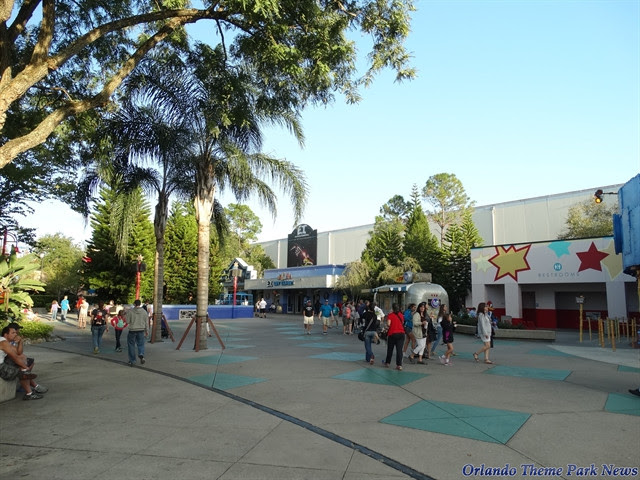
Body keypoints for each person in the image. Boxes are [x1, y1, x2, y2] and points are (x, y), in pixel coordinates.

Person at [0, 326, 43, 400]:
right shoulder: (3, 342)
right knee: (23, 371)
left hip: (3, 362)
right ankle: (29, 392)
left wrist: (20, 341)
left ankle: (29, 386)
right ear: (6, 334)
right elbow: (15, 358)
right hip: (1, 366)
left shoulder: (6, 342)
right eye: (13, 333)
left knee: (27, 361)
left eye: (15, 333)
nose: (16, 334)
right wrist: (26, 367)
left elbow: (19, 352)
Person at [382, 303, 405, 371]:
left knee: (390, 349)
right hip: (401, 333)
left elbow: (388, 324)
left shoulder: (390, 315)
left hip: (392, 333)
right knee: (399, 350)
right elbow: (402, 323)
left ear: (392, 308)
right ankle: (399, 365)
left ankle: (387, 363)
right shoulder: (401, 315)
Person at [126, 299, 148, 366]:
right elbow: (146, 322)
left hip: (132, 330)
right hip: (141, 330)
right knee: (141, 344)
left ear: (134, 304)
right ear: (140, 304)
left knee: (131, 345)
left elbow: (127, 321)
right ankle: (141, 353)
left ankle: (132, 360)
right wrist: (147, 331)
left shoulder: (130, 311)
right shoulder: (144, 312)